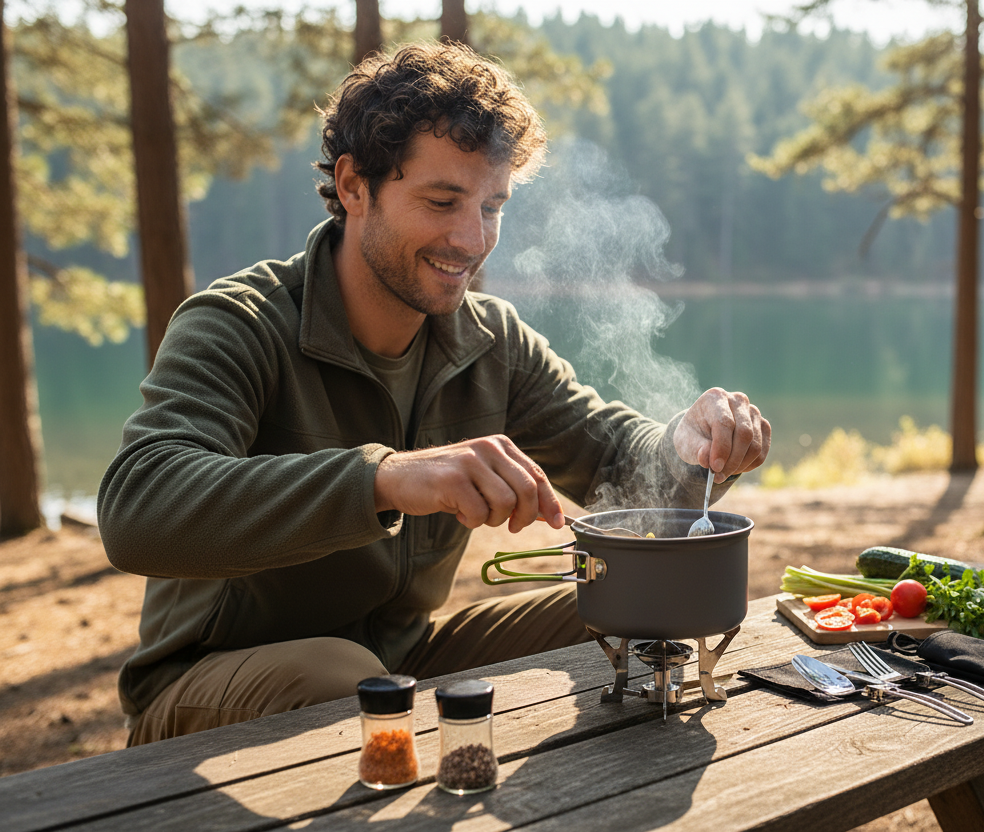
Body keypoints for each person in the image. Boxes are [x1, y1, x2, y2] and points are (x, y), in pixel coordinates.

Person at [97, 41, 770, 747]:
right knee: (343, 680)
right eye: (442, 201)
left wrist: (691, 446)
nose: (472, 238)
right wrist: (386, 478)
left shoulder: (490, 341)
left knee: (630, 604)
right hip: (208, 681)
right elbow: (137, 507)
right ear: (355, 187)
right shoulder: (240, 322)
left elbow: (614, 461)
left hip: (403, 661)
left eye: (493, 206)